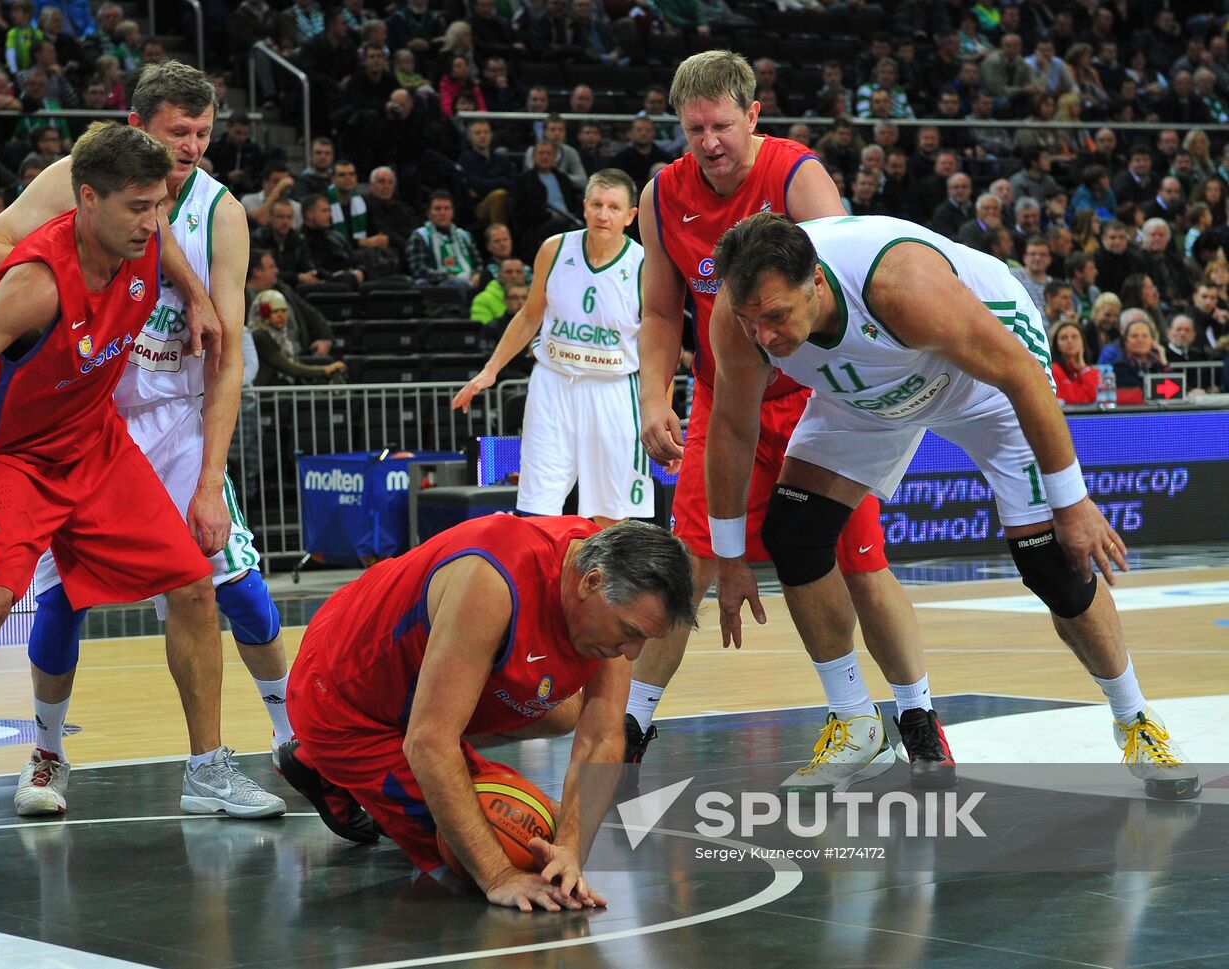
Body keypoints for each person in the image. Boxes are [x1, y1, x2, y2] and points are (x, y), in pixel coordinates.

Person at [0, 123, 284, 864]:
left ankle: (206, 769)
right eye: (136, 207)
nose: (151, 220)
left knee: (195, 583)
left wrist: (197, 294)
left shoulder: (141, 243)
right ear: (86, 199)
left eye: (158, 205)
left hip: (94, 444)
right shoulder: (34, 284)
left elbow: (164, 237)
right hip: (8, 458)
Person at [707, 212, 1198, 800]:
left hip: (986, 383)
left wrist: (1071, 501)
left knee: (1053, 569)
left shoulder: (901, 285)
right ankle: (854, 719)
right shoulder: (742, 311)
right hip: (870, 393)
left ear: (815, 281)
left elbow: (1021, 376)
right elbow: (732, 428)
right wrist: (729, 557)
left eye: (776, 318)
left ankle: (1137, 719)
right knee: (792, 532)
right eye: (750, 321)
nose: (763, 336)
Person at [635, 50, 951, 791]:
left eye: (720, 125)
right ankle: (628, 728)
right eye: (693, 129)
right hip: (724, 399)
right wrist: (653, 396)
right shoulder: (660, 197)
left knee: (862, 564)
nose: (708, 142)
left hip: (815, 395)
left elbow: (846, 289)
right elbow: (657, 310)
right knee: (691, 565)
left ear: (753, 116)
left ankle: (917, 718)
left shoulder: (797, 176)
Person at [278, 515, 695, 909]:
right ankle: (327, 757)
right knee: (504, 852)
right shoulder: (492, 581)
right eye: (630, 633)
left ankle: (314, 764)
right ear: (591, 582)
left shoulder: (609, 571)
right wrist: (498, 876)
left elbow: (602, 737)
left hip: (401, 664)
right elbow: (428, 742)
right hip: (341, 698)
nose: (633, 653)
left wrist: (570, 849)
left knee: (561, 736)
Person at [454, 169, 652, 525]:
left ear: (630, 215)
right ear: (584, 207)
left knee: (612, 510)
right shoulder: (556, 249)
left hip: (613, 389)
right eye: (597, 205)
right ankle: (539, 578)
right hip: (553, 382)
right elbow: (530, 316)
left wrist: (658, 411)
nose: (603, 214)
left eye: (613, 207)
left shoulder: (643, 266)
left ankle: (607, 580)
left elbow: (655, 345)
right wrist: (490, 370)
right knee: (537, 500)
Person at [247, 289, 347, 385]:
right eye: (275, 311)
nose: (281, 315)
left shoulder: (282, 338)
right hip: (265, 396)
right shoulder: (260, 336)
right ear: (263, 313)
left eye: (284, 310)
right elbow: (289, 368)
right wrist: (325, 370)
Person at [1050, 321, 1098, 405]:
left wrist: (1083, 369)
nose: (1069, 341)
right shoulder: (1053, 370)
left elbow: (1096, 398)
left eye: (1074, 337)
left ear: (1083, 342)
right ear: (1056, 345)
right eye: (1063, 338)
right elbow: (1066, 401)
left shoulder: (1091, 371)